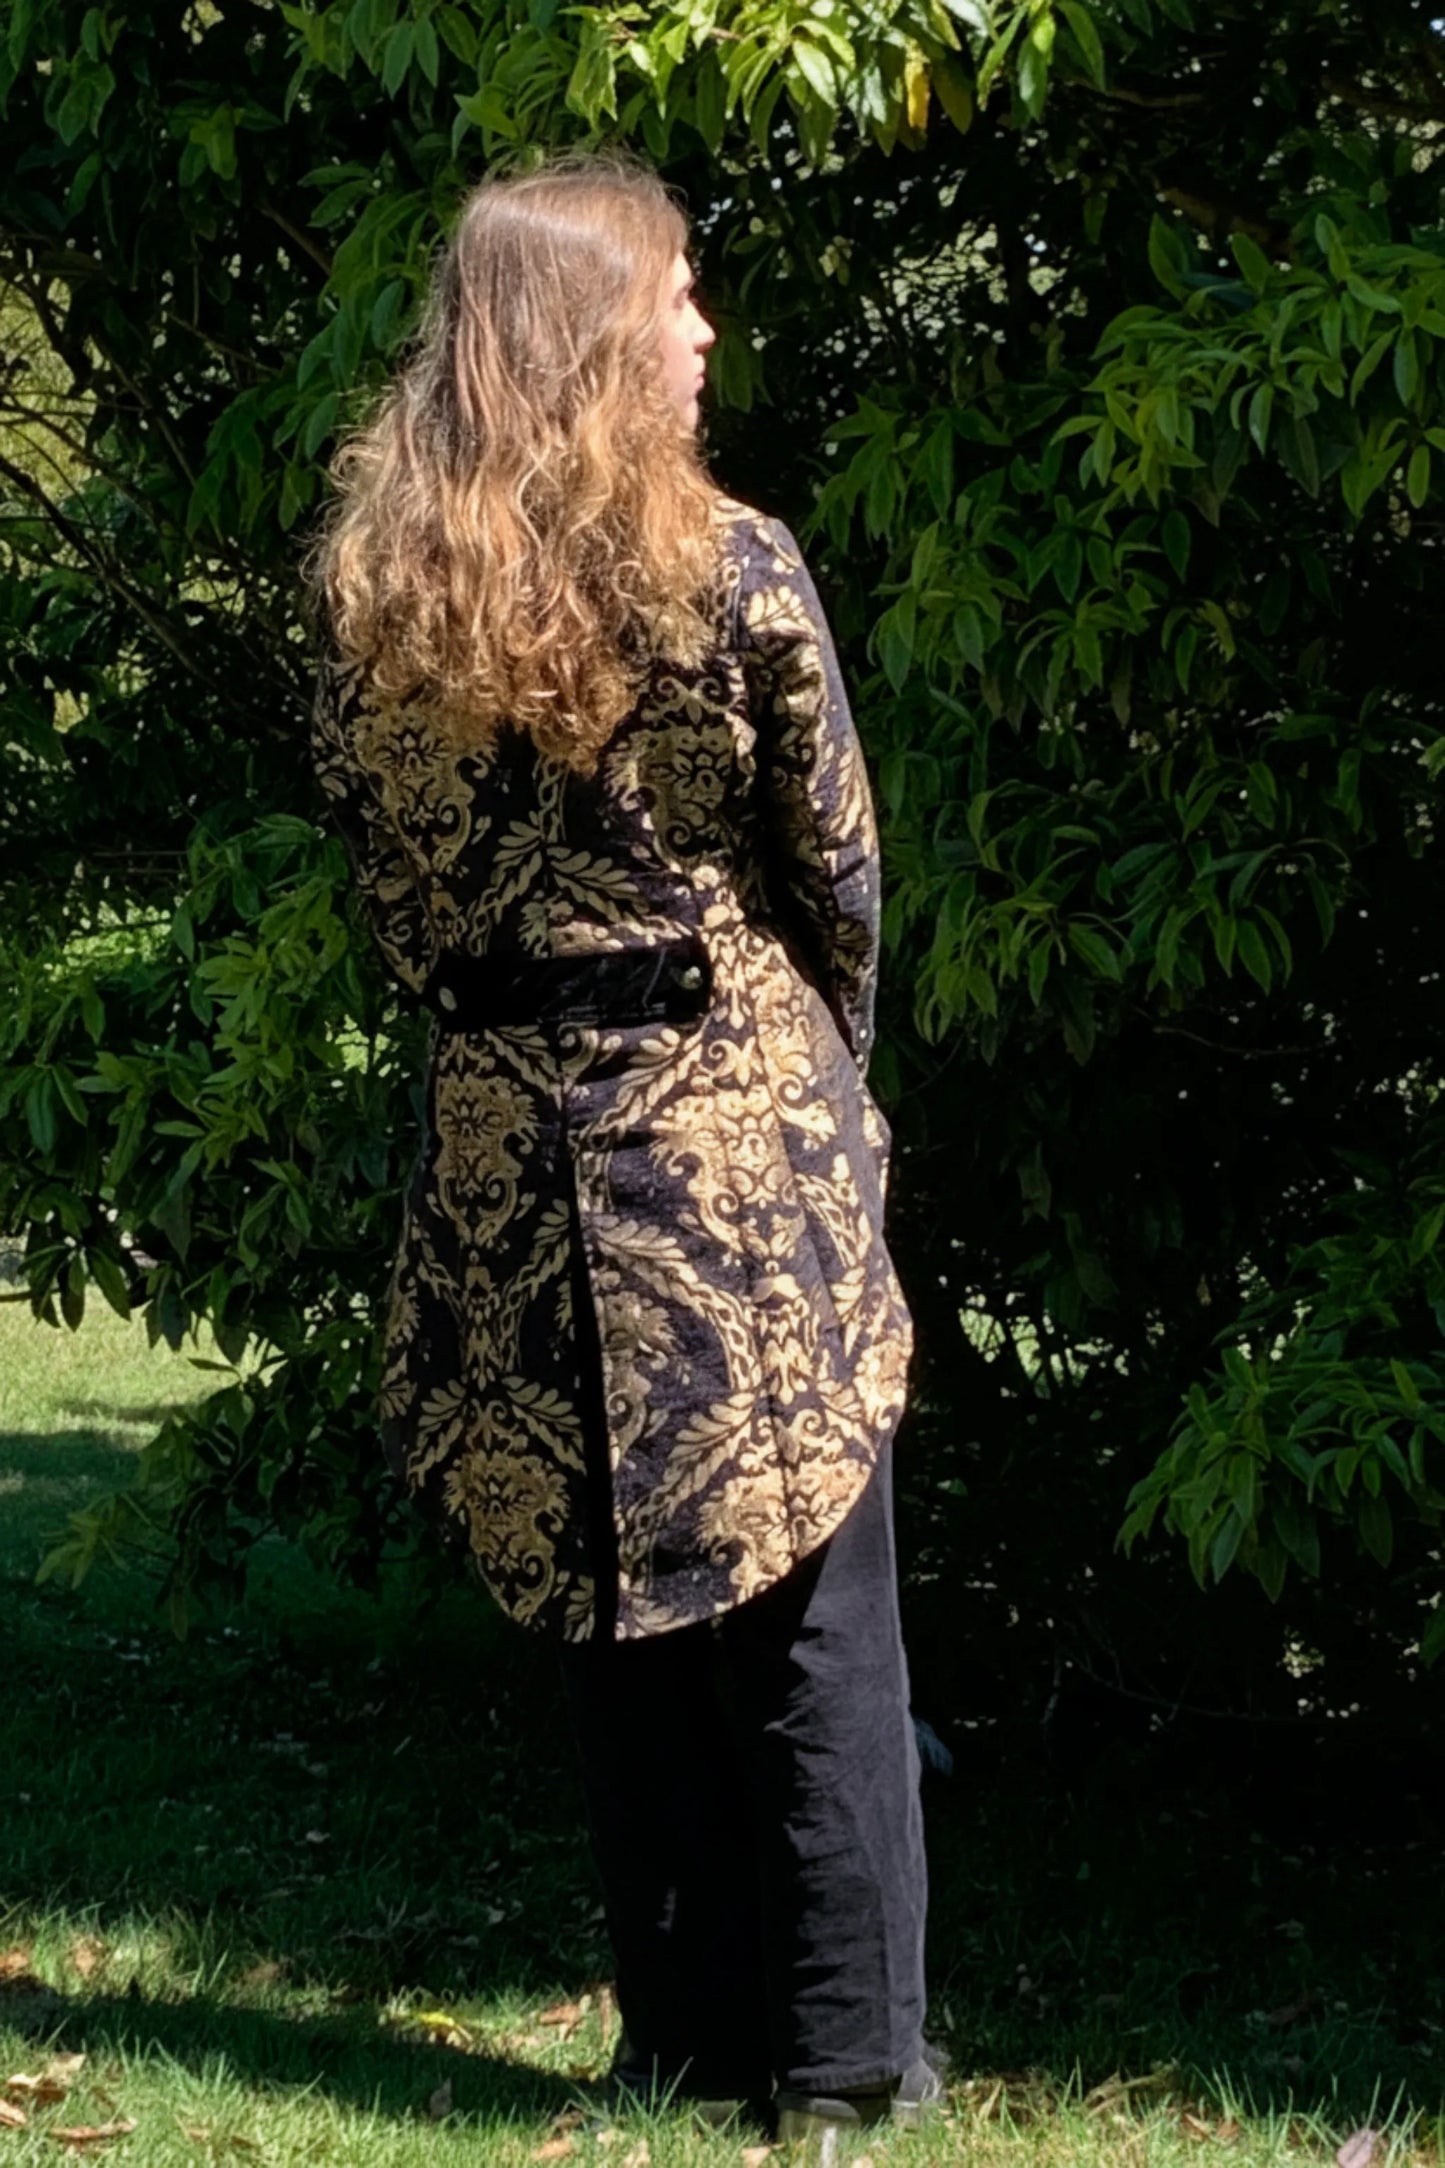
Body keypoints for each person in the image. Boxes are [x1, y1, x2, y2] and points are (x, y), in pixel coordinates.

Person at [306, 147, 936, 2144]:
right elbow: (837, 870)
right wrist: (829, 1093)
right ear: (584, 342)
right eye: (672, 300)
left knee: (616, 1619)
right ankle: (840, 2071)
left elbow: (398, 908)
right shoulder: (731, 567)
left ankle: (687, 2046)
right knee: (811, 1626)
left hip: (514, 1160)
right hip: (733, 1144)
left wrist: (519, 1027)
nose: (703, 332)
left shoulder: (381, 602)